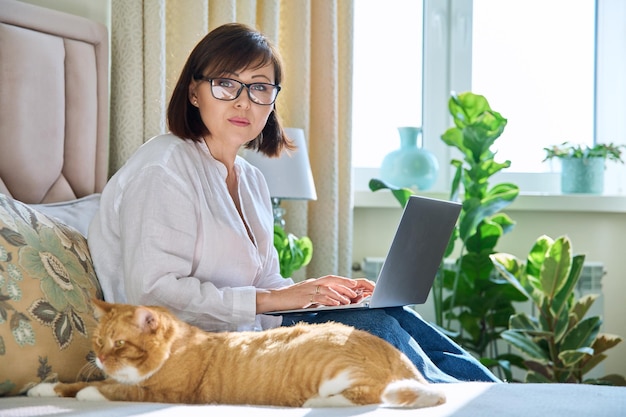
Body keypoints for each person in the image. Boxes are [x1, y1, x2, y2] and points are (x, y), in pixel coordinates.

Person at [88, 22, 499, 384]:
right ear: (194, 92)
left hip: (246, 336)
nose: (244, 101)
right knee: (372, 329)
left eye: (260, 87)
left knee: (394, 317)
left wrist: (321, 293)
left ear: (271, 100)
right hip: (184, 354)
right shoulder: (164, 167)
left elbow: (267, 285)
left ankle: (497, 397)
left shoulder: (249, 179)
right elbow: (154, 295)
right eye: (226, 84)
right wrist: (276, 300)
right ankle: (462, 402)